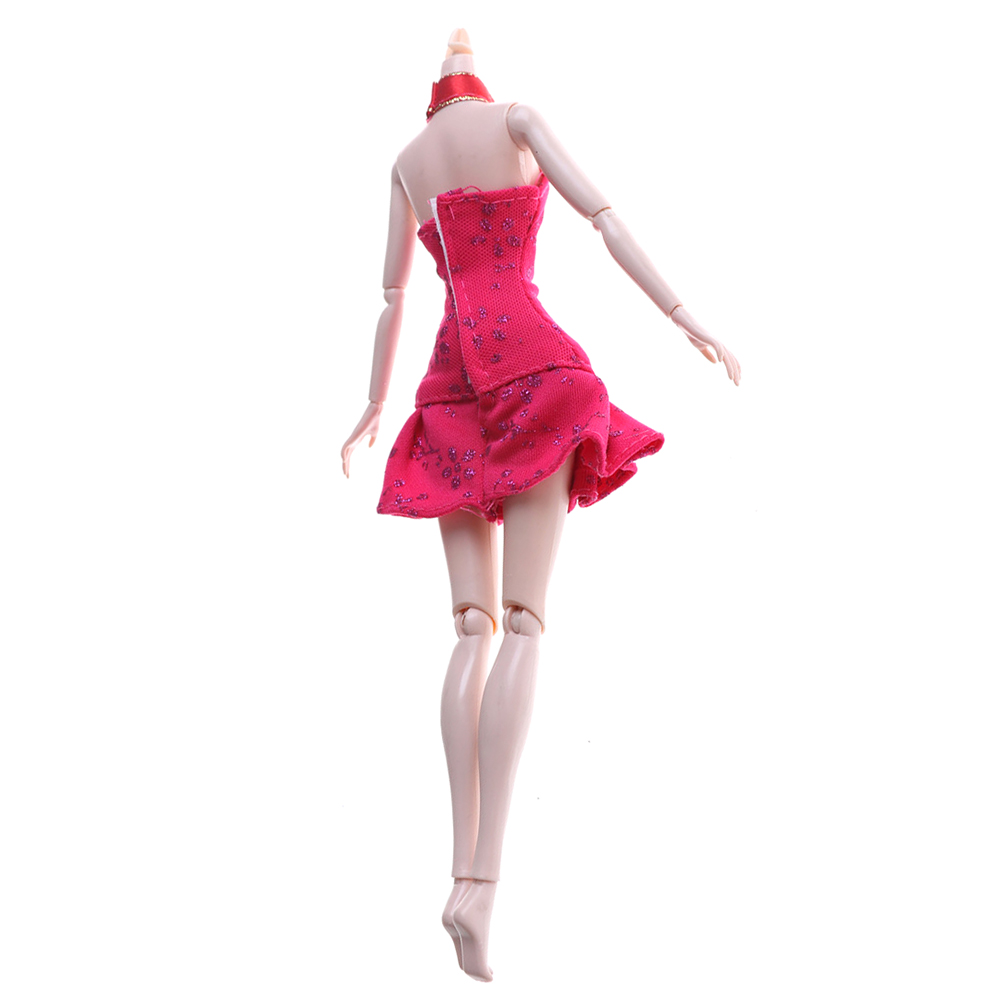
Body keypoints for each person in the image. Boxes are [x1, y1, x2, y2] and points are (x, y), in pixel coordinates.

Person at [340, 29, 739, 982]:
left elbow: (393, 299)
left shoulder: (408, 161)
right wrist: (686, 316)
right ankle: (482, 886)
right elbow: (603, 216)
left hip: (449, 385)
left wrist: (372, 409)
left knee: (470, 630)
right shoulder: (516, 118)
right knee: (521, 624)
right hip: (529, 366)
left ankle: (460, 878)